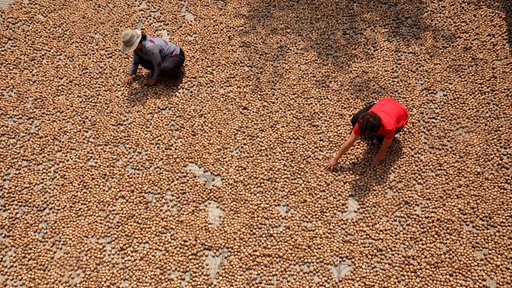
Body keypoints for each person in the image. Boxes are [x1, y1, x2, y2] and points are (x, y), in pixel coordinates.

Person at [325, 97, 409, 171]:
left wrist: (377, 159)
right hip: (385, 102)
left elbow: (385, 146)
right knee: (354, 120)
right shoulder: (362, 121)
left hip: (401, 112)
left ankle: (377, 134)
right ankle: (374, 103)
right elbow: (349, 142)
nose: (363, 134)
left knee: (380, 141)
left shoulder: (389, 127)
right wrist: (335, 158)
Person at [121, 29, 185, 86]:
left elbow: (158, 65)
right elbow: (135, 61)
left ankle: (178, 75)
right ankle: (159, 73)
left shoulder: (150, 47)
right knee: (141, 59)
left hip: (175, 55)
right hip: (160, 58)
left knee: (165, 68)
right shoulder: (138, 48)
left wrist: (153, 79)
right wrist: (130, 75)